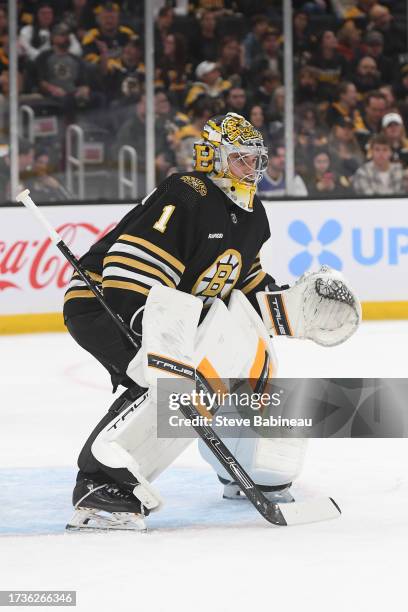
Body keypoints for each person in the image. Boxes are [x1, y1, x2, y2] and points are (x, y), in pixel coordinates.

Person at [63, 112, 360, 530]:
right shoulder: (186, 194)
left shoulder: (253, 212)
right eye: (242, 159)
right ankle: (101, 484)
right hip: (107, 302)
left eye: (257, 159)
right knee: (170, 377)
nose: (253, 168)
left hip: (175, 311)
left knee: (246, 347)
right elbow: (129, 268)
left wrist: (292, 307)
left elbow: (244, 293)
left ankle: (251, 464)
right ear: (213, 158)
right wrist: (154, 336)